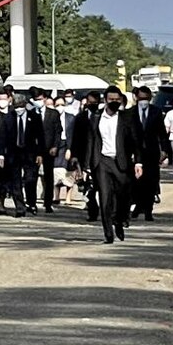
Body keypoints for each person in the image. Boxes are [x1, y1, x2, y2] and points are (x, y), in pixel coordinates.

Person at [81, 85, 142, 244]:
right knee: (105, 197)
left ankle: (119, 220)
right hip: (102, 161)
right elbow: (90, 141)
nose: (114, 102)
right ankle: (108, 233)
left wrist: (138, 162)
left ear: (120, 100)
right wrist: (86, 166)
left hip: (121, 162)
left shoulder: (127, 117)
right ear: (106, 100)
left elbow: (136, 141)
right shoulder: (96, 117)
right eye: (111, 99)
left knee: (123, 196)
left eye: (117, 99)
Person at [130, 85, 165, 222]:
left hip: (151, 152)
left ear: (150, 98)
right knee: (137, 182)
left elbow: (162, 133)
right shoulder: (130, 113)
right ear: (136, 98)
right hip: (135, 152)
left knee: (151, 182)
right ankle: (138, 206)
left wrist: (165, 150)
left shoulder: (156, 112)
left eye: (146, 98)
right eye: (141, 98)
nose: (143, 101)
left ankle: (148, 210)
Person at [6, 95, 44, 217]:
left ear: (25, 105)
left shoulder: (35, 117)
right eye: (16, 106)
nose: (19, 109)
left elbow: (40, 137)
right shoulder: (9, 118)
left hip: (30, 154)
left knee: (30, 179)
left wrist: (40, 154)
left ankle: (31, 203)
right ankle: (20, 207)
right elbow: (3, 137)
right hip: (14, 153)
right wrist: (2, 154)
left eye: (21, 106)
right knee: (15, 181)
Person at [69, 91, 101, 222]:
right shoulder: (80, 118)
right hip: (83, 156)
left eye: (95, 102)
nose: (92, 104)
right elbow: (75, 137)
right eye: (90, 102)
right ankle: (92, 210)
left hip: (100, 157)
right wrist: (74, 155)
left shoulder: (102, 116)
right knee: (87, 186)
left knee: (101, 185)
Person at [37, 89, 62, 214]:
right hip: (34, 149)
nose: (38, 101)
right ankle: (31, 202)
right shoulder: (32, 113)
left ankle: (48, 202)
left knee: (48, 177)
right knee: (32, 177)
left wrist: (55, 146)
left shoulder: (53, 113)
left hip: (49, 148)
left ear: (45, 99)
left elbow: (58, 131)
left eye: (40, 99)